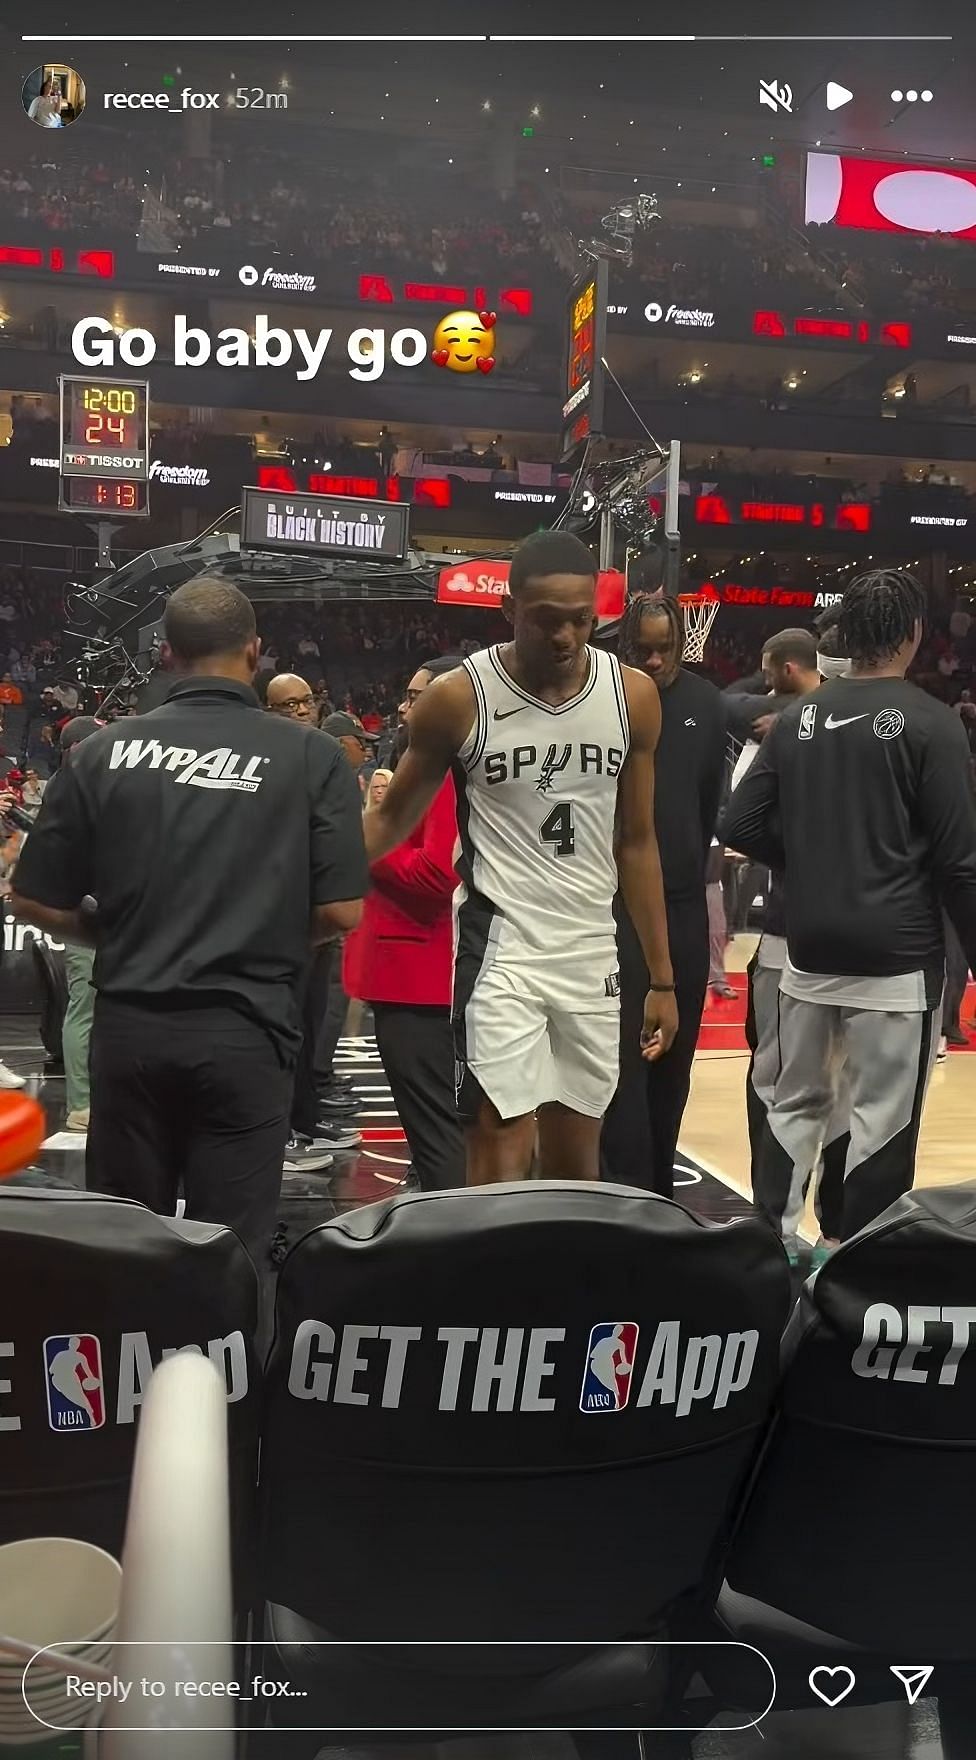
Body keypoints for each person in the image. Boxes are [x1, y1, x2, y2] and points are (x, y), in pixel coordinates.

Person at [11, 578, 368, 1264]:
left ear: (166, 653)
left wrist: (112, 934)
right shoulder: (312, 754)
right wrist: (258, 937)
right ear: (256, 652)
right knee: (231, 1251)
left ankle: (128, 1369)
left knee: (128, 1246)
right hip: (247, 1028)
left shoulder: (100, 752)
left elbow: (33, 898)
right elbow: (340, 910)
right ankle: (222, 1370)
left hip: (132, 1031)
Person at [365, 529, 677, 1185]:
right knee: (497, 1134)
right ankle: (491, 1281)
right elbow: (392, 819)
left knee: (575, 1151)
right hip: (499, 942)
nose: (564, 637)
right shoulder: (459, 696)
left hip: (590, 943)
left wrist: (662, 977)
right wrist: (305, 875)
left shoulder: (634, 698)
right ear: (508, 611)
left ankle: (563, 1284)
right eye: (545, 621)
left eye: (580, 620)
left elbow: (637, 842)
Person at [721, 570, 976, 1246]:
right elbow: (959, 863)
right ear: (915, 634)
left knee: (795, 1103)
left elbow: (740, 825)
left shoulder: (798, 717)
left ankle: (769, 1248)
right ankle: (855, 1268)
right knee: (880, 1119)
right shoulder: (931, 723)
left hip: (807, 950)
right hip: (895, 957)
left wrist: (811, 856)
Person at [600, 593, 726, 1196]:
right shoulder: (601, 697)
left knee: (675, 1061)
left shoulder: (706, 703)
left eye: (664, 650)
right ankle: (621, 1191)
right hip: (615, 907)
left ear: (682, 644)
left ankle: (660, 1193)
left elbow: (707, 809)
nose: (653, 662)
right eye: (640, 650)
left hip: (681, 906)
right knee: (623, 1062)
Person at [344, 657, 465, 1193]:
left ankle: (447, 1245)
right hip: (411, 970)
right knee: (432, 1132)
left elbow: (437, 875)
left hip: (423, 973)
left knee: (436, 1131)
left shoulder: (447, 776)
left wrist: (368, 840)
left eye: (416, 697)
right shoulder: (429, 771)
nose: (403, 705)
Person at [266, 672, 362, 1165]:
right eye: (288, 705)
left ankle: (303, 1116)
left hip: (318, 920)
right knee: (280, 1031)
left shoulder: (324, 758)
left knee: (308, 1026)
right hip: (278, 921)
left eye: (306, 701)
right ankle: (279, 1127)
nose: (302, 711)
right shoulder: (269, 762)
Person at [56, 716, 106, 1131]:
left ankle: (98, 1097)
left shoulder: (93, 789)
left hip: (112, 912)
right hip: (84, 913)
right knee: (85, 1007)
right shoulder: (67, 793)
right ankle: (80, 1104)